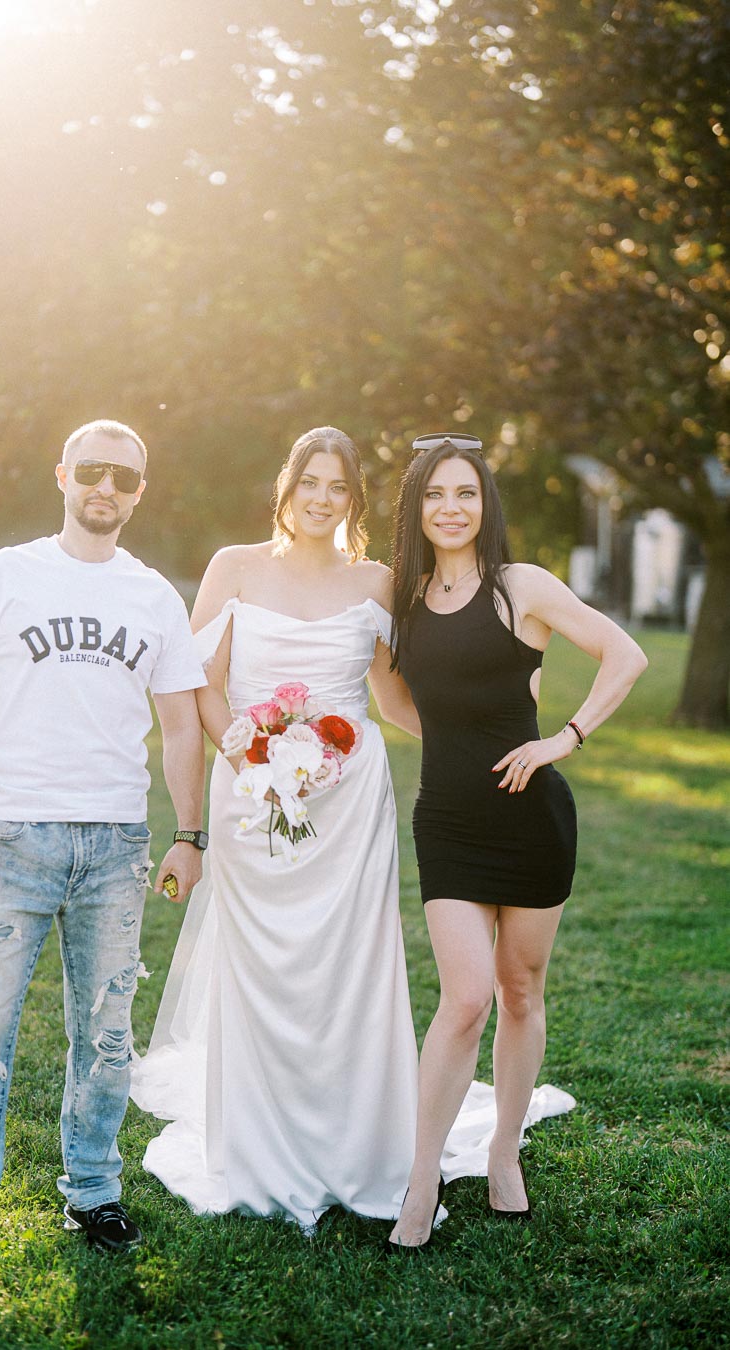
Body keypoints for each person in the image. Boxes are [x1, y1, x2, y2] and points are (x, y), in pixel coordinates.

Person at [0, 418, 207, 1304]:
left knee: (108, 1040)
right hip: (9, 839)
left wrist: (189, 833)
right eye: (91, 472)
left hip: (115, 845)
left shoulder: (154, 595)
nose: (105, 488)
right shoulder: (2, 575)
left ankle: (93, 1191)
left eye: (123, 476)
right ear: (62, 477)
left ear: (140, 492)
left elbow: (182, 725)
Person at [129, 426, 424, 1228]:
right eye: (310, 483)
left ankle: (356, 1138)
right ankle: (258, 1142)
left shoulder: (377, 580)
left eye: (339, 487)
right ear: (286, 489)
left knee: (348, 965)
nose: (322, 499)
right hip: (251, 790)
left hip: (350, 799)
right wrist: (247, 752)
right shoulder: (235, 566)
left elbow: (390, 694)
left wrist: (466, 737)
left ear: (354, 500)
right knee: (262, 963)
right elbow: (202, 682)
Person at [386, 432, 648, 1249]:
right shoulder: (402, 599)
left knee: (520, 990)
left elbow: (625, 654)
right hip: (448, 820)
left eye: (466, 493)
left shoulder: (520, 587)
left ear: (485, 503)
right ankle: (422, 1177)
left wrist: (563, 738)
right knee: (466, 997)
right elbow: (392, 702)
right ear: (416, 507)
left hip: (532, 819)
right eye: (436, 494)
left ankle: (504, 1148)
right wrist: (455, 739)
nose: (451, 508)